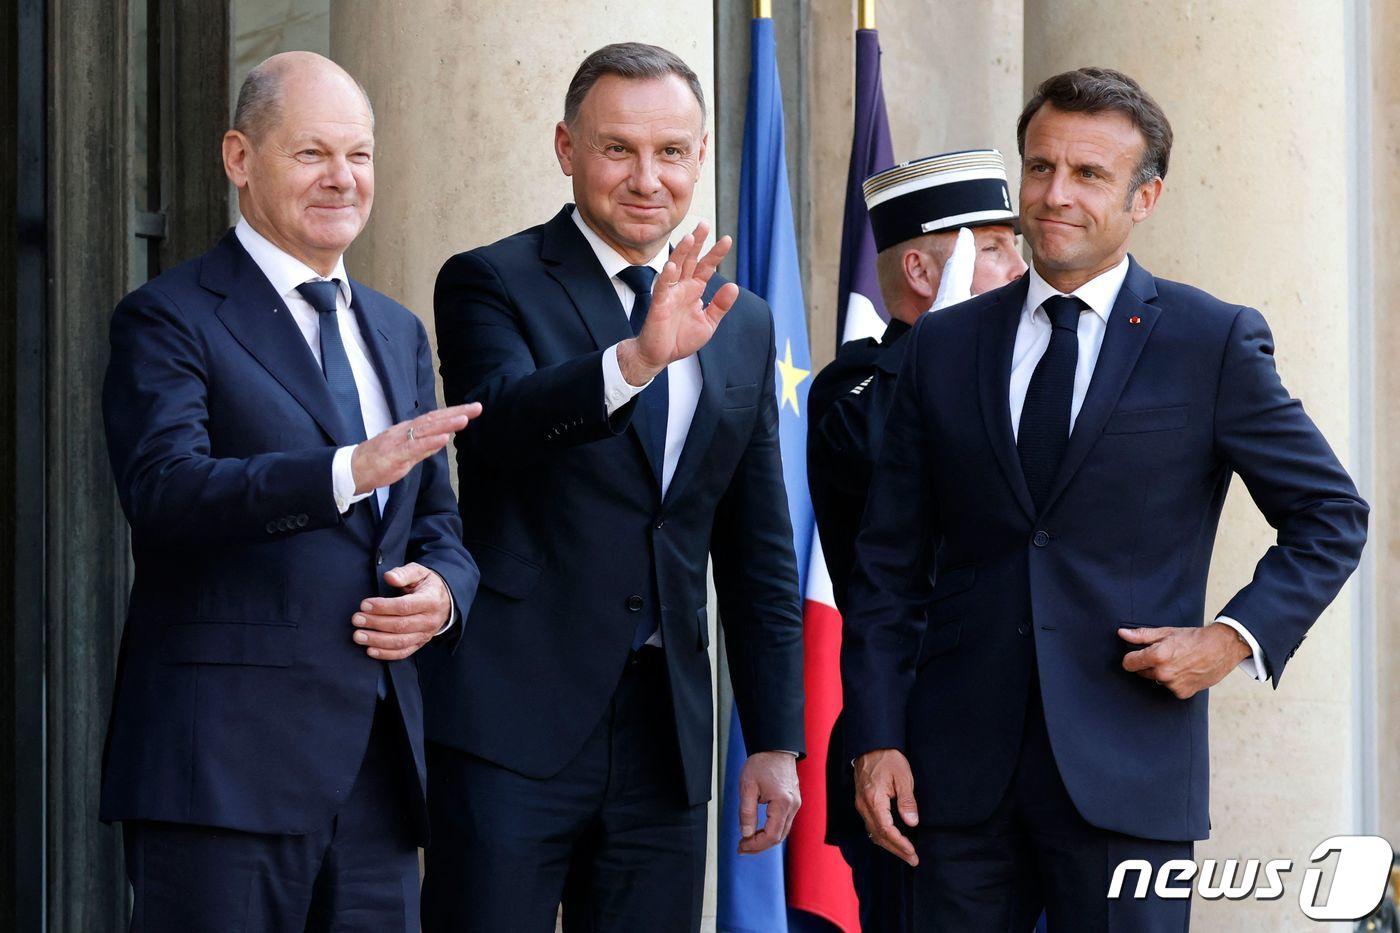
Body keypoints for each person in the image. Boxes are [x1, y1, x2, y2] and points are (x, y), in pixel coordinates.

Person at [842, 67, 1368, 932]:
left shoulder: (1211, 341)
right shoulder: (944, 343)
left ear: (1144, 196)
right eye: (1041, 167)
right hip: (953, 778)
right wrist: (877, 735)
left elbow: (1330, 515)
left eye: (1089, 174)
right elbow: (888, 564)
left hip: (1131, 771)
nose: (1055, 195)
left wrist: (1229, 639)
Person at [420, 42, 805, 932]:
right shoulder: (491, 280)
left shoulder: (739, 320)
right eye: (617, 148)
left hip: (665, 742)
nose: (647, 178)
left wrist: (776, 739)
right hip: (512, 725)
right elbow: (505, 424)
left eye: (671, 151)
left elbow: (758, 551)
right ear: (566, 148)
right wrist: (633, 361)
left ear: (701, 156)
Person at [100, 52, 479, 932]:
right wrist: (344, 470)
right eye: (312, 154)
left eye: (360, 155)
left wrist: (443, 595)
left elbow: (438, 524)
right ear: (240, 158)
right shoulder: (169, 315)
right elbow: (164, 490)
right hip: (221, 777)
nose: (342, 179)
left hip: (379, 778)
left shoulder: (395, 329)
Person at [808, 148, 1026, 932]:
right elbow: (878, 466)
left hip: (1040, 761)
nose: (1020, 266)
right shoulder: (860, 385)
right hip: (919, 753)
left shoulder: (1027, 377)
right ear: (926, 272)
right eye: (995, 247)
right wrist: (942, 335)